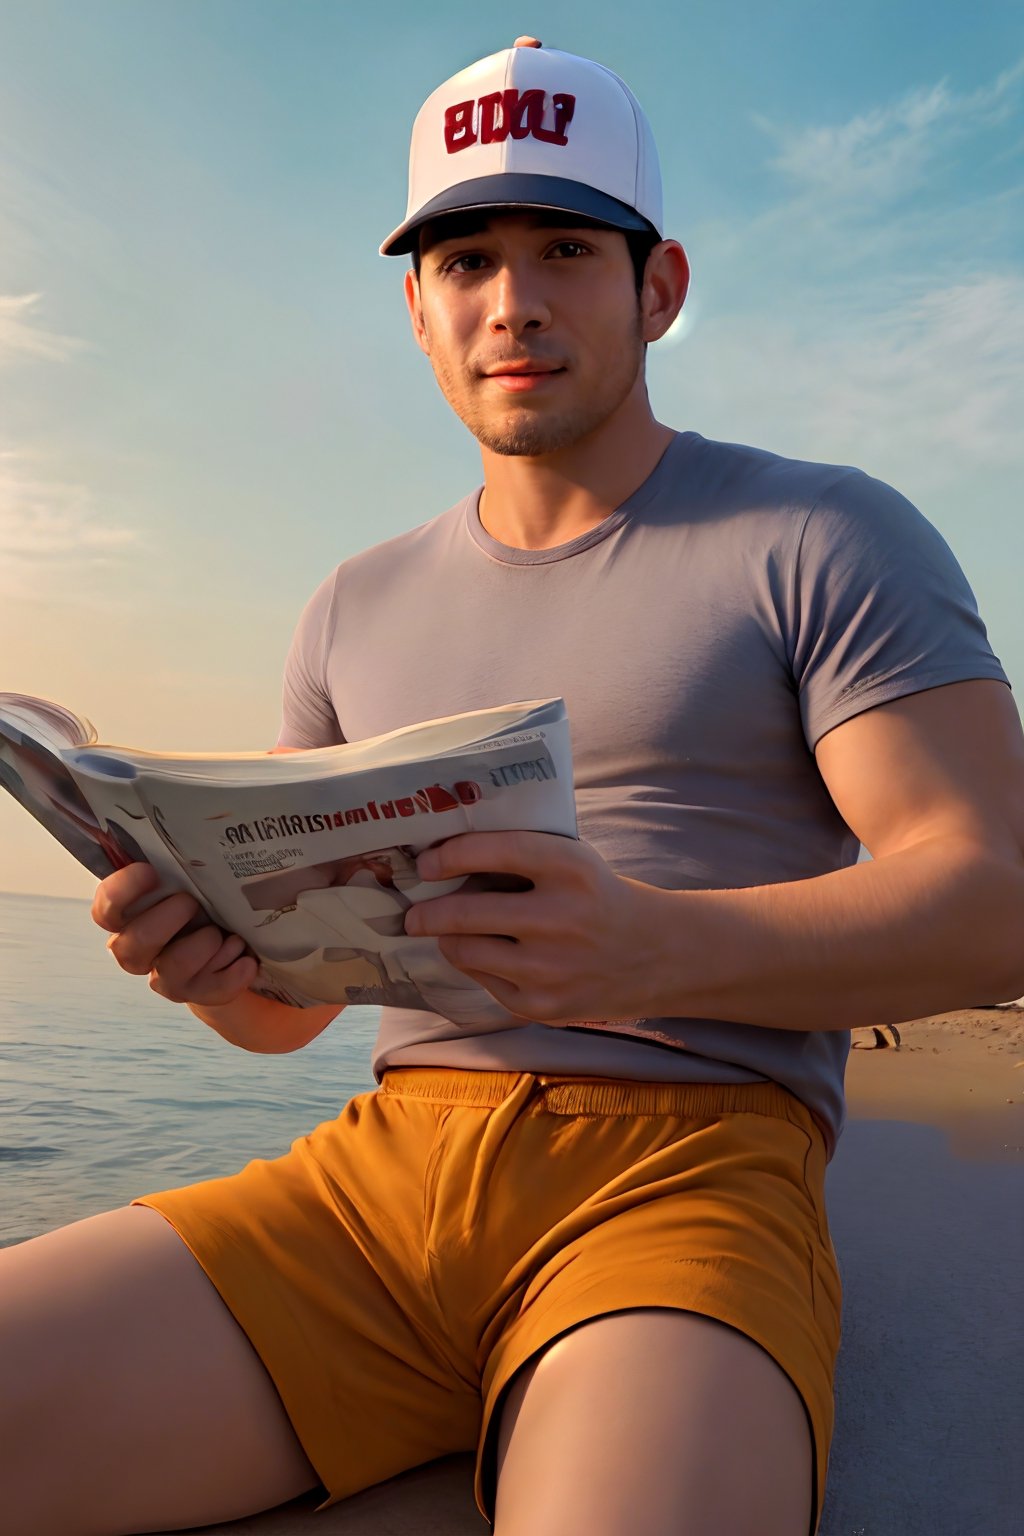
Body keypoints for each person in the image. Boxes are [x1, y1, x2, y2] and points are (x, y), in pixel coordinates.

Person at [3, 37, 1022, 1536]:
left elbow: (993, 896)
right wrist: (201, 954)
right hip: (378, 1182)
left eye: (564, 248)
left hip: (689, 1177)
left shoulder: (822, 533)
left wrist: (652, 945)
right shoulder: (357, 599)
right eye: (465, 257)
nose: (513, 300)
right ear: (415, 306)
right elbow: (285, 1014)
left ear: (657, 285)